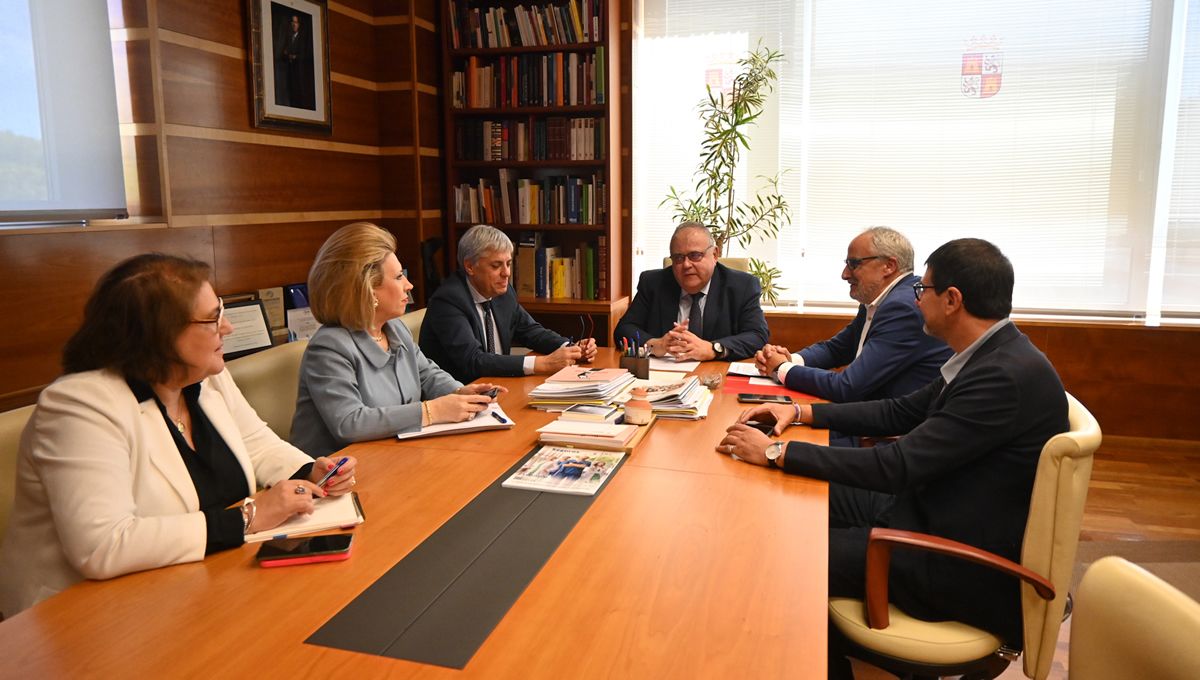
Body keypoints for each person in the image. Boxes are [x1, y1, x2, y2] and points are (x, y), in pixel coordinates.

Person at [718, 238, 1069, 679]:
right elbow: (899, 410)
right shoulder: (995, 354)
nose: (915, 299)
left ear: (953, 300)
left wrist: (775, 451)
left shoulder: (1002, 377)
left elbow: (897, 465)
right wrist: (800, 411)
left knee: (786, 555)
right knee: (792, 503)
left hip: (947, 557)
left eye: (922, 290)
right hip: (925, 509)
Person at [0, 254, 357, 617]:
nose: (228, 327)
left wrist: (311, 471)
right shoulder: (79, 406)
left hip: (196, 587)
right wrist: (248, 518)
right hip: (81, 617)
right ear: (159, 335)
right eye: (213, 318)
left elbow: (256, 444)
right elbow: (102, 545)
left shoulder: (205, 375)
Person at [291, 222, 505, 458]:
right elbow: (349, 423)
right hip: (336, 475)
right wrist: (431, 411)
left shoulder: (394, 329)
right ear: (367, 289)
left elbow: (426, 374)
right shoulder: (329, 347)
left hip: (393, 456)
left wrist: (461, 391)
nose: (409, 285)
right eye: (399, 276)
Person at [754, 226, 951, 402]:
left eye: (854, 264)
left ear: (889, 266)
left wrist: (781, 369)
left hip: (886, 433)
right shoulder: (878, 299)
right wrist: (790, 359)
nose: (845, 274)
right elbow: (837, 349)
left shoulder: (903, 308)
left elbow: (847, 387)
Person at [419, 224, 597, 384]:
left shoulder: (502, 293)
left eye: (508, 264)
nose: (506, 273)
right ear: (470, 267)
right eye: (496, 266)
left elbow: (530, 331)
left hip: (498, 387)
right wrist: (543, 363)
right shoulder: (448, 301)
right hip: (460, 396)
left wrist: (569, 348)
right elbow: (473, 361)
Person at [613, 222, 769, 361]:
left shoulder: (742, 286)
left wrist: (713, 349)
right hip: (665, 376)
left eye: (695, 255)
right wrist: (655, 344)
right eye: (679, 258)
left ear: (714, 255)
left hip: (717, 376)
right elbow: (624, 330)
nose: (686, 264)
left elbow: (757, 335)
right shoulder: (653, 283)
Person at [275, 14, 314, 109]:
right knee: (291, 92)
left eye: (295, 22)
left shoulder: (303, 39)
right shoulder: (289, 38)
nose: (293, 24)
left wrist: (294, 56)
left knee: (299, 94)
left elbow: (306, 55)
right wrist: (287, 55)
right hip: (290, 71)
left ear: (299, 24)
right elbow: (283, 53)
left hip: (300, 72)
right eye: (292, 22)